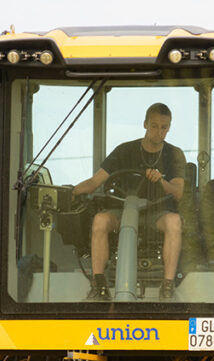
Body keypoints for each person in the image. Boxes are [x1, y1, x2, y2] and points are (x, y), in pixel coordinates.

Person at [73, 102, 186, 301]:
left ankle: (167, 286)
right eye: (154, 126)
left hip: (156, 214)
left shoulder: (174, 154)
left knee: (174, 222)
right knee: (100, 220)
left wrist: (161, 181)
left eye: (164, 127)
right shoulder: (124, 151)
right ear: (145, 124)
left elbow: (178, 192)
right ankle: (99, 284)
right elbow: (94, 182)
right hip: (122, 211)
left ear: (169, 127)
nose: (159, 132)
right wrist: (72, 191)